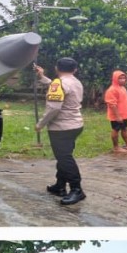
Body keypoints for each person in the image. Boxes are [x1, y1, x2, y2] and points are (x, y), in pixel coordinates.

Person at [34, 58, 85, 206]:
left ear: (57, 68)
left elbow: (54, 108)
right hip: (75, 125)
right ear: (75, 70)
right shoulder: (76, 82)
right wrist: (42, 77)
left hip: (61, 128)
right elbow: (57, 87)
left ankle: (77, 189)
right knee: (64, 156)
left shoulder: (59, 83)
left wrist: (41, 124)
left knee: (64, 159)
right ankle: (60, 186)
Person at [104, 69, 127, 153]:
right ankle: (116, 147)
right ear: (115, 79)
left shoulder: (122, 88)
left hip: (124, 115)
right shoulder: (112, 90)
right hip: (116, 116)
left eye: (124, 78)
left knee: (124, 128)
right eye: (120, 78)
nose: (122, 80)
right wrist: (117, 116)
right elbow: (112, 104)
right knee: (116, 130)